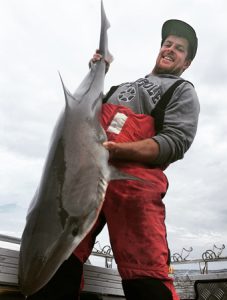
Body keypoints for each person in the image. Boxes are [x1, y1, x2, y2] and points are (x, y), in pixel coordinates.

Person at [27, 19, 199, 300]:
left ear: (187, 62)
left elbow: (175, 142)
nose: (170, 49)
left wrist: (120, 151)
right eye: (167, 44)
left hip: (135, 183)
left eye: (179, 48)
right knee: (60, 253)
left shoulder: (182, 91)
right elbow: (87, 117)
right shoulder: (120, 87)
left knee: (145, 272)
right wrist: (99, 68)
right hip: (90, 171)